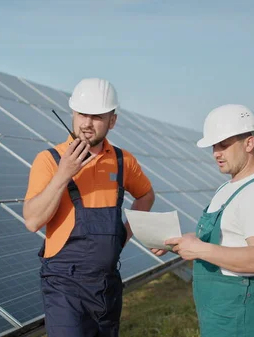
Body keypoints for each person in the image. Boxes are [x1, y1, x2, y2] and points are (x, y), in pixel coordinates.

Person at [22, 78, 155, 337]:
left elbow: (146, 196)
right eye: (82, 114)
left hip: (107, 285)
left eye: (97, 117)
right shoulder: (49, 160)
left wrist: (122, 235)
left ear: (112, 121)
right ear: (72, 114)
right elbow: (31, 221)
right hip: (64, 285)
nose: (86, 124)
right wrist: (64, 174)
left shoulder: (122, 160)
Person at [162, 104, 254, 337]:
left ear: (249, 143)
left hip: (241, 311)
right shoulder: (229, 187)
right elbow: (224, 242)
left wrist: (199, 248)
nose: (216, 153)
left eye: (224, 145)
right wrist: (181, 244)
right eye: (214, 146)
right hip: (222, 310)